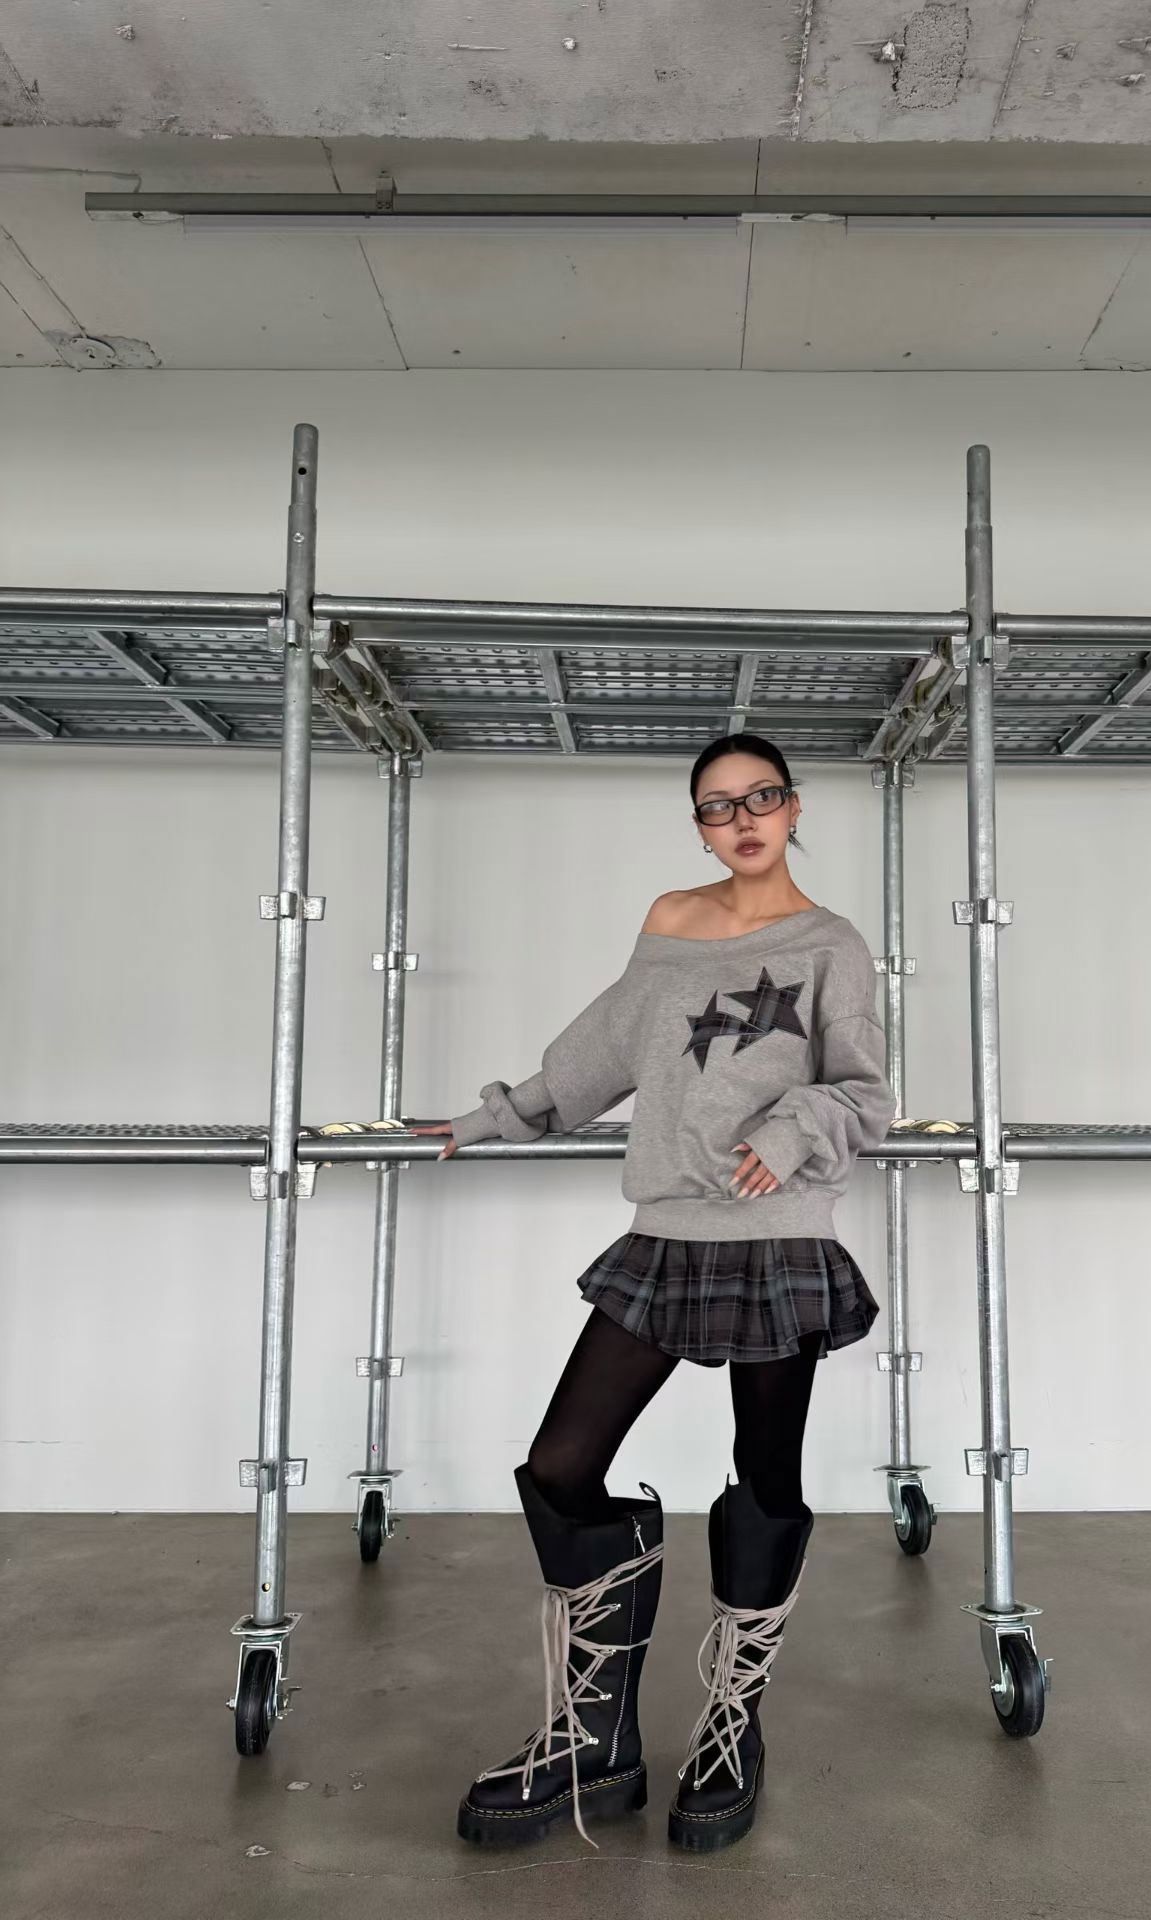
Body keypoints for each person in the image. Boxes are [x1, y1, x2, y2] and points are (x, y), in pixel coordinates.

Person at [415, 732, 897, 1855]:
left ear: (794, 808)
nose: (742, 820)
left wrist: (793, 1129)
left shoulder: (832, 944)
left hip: (777, 1235)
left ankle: (732, 1727)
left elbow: (865, 1093)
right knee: (560, 1466)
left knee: (764, 1481)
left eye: (761, 798)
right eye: (718, 806)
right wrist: (492, 1117)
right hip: (670, 1235)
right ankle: (599, 1739)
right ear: (699, 826)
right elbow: (601, 1051)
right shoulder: (672, 923)